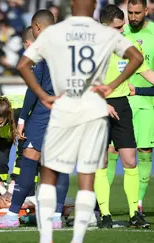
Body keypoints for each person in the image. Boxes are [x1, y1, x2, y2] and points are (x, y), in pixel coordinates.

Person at [16, 0, 143, 243]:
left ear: (72, 5)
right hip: (92, 110)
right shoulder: (104, 33)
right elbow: (136, 57)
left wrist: (43, 96)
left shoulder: (55, 33)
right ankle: (77, 240)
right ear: (94, 5)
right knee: (86, 177)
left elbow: (23, 64)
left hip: (64, 108)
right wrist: (113, 85)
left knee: (49, 174)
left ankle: (46, 238)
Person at [0, 13, 69, 230]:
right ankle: (57, 217)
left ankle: (12, 215)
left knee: (29, 163)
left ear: (38, 27)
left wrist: (22, 118)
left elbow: (34, 89)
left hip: (42, 114)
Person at [95, 4, 151, 228]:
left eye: (122, 28)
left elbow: (147, 73)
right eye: (117, 28)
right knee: (102, 160)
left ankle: (133, 214)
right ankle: (105, 215)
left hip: (121, 105)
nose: (121, 32)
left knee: (130, 160)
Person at [123, 0, 154, 213]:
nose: (133, 17)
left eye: (136, 13)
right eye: (129, 12)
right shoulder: (120, 32)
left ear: (146, 10)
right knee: (113, 150)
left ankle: (139, 204)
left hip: (146, 103)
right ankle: (103, 210)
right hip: (121, 101)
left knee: (144, 151)